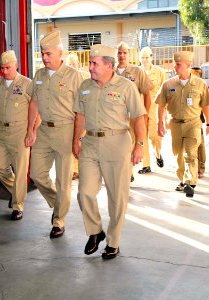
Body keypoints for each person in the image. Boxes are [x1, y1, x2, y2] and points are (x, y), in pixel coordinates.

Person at [73, 44, 146, 259]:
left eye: (95, 64)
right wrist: (76, 140)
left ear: (108, 65)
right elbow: (80, 116)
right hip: (90, 144)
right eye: (90, 63)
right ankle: (96, 231)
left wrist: (139, 145)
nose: (90, 67)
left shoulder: (126, 86)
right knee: (84, 192)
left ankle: (113, 242)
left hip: (117, 143)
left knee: (117, 197)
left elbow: (139, 117)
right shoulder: (85, 86)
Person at [25, 30, 84, 238]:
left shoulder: (74, 76)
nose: (44, 58)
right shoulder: (39, 75)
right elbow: (34, 102)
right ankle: (58, 202)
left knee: (63, 179)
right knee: (36, 175)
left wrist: (77, 139)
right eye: (42, 53)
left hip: (65, 131)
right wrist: (30, 130)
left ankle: (59, 219)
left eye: (49, 53)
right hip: (43, 131)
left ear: (61, 53)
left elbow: (81, 111)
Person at [155, 52, 209, 198]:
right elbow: (161, 105)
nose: (175, 66)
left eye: (178, 64)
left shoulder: (200, 84)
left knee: (191, 154)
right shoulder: (168, 84)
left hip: (193, 124)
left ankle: (190, 182)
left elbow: (206, 105)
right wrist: (160, 124)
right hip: (174, 124)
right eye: (175, 64)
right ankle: (182, 180)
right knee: (178, 155)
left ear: (188, 65)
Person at [0, 50, 32, 220]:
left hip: (20, 131)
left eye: (8, 68)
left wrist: (32, 131)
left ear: (16, 65)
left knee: (20, 170)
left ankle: (18, 206)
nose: (4, 71)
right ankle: (16, 192)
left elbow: (36, 109)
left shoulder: (27, 84)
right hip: (1, 131)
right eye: (2, 68)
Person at [115, 42, 154, 181]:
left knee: (129, 146)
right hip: (114, 118)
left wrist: (145, 115)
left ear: (129, 54)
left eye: (124, 53)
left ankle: (127, 173)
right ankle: (125, 172)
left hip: (133, 117)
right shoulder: (110, 71)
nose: (122, 55)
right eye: (119, 52)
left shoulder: (137, 72)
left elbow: (148, 95)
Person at [138, 47, 168, 174]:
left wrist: (165, 111)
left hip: (155, 109)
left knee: (154, 136)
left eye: (147, 57)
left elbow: (167, 92)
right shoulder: (136, 72)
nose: (144, 60)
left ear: (151, 57)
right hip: (140, 109)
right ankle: (146, 165)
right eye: (142, 58)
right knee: (142, 136)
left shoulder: (160, 72)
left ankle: (158, 153)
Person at [66, 52, 90, 180]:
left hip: (83, 115)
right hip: (70, 116)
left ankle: (84, 168)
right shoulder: (63, 79)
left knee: (82, 142)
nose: (72, 67)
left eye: (74, 64)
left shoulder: (85, 77)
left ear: (78, 64)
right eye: (69, 64)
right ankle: (74, 170)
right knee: (73, 142)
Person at [191, 66, 209, 178]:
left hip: (201, 121)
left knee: (200, 145)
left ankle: (200, 168)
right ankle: (194, 167)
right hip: (190, 121)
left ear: (199, 75)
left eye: (194, 74)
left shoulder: (206, 88)